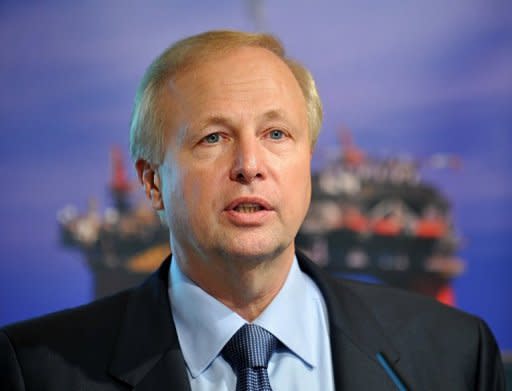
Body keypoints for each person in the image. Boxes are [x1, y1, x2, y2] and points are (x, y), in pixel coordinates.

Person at [0, 30, 505, 390]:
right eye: (213, 138)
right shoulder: (36, 369)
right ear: (152, 183)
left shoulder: (455, 354)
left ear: (308, 163)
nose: (249, 165)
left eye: (276, 134)